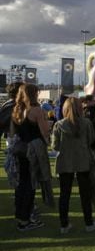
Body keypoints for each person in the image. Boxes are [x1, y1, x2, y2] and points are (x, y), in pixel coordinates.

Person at [52, 97, 95, 234]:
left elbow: (55, 146)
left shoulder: (59, 125)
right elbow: (91, 140)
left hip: (64, 162)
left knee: (65, 194)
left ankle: (64, 225)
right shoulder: (86, 123)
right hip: (83, 161)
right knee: (85, 194)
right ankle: (89, 223)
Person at [8, 84, 51, 231]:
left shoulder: (16, 109)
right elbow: (45, 131)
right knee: (30, 185)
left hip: (19, 150)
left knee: (22, 184)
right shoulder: (36, 110)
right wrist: (46, 121)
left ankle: (21, 216)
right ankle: (25, 220)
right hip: (32, 151)